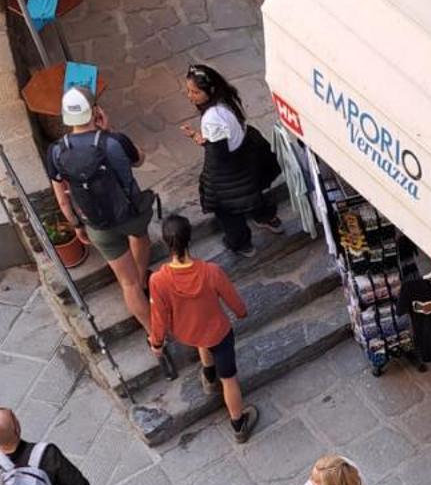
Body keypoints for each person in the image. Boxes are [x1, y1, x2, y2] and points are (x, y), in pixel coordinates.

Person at [47, 89, 154, 333]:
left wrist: (76, 225)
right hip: (131, 212)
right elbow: (140, 159)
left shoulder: (55, 152)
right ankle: (141, 277)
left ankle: (154, 335)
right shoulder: (114, 141)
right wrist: (109, 130)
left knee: (127, 284)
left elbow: (62, 199)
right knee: (141, 239)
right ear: (95, 112)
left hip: (96, 223)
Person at [148, 211, 259, 442]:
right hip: (218, 332)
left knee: (202, 341)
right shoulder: (211, 272)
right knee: (229, 379)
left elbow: (158, 315)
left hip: (188, 331)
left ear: (165, 243)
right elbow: (233, 300)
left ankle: (209, 377)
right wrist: (241, 312)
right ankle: (239, 424)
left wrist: (156, 342)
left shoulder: (158, 280)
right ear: (190, 239)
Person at [182, 63, 283, 259]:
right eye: (188, 91)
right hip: (246, 152)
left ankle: (241, 244)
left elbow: (218, 153)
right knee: (252, 192)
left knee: (226, 209)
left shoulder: (211, 118)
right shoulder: (225, 101)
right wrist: (200, 138)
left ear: (208, 91)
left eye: (194, 92)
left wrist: (210, 184)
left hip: (231, 166)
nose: (190, 96)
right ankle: (267, 217)